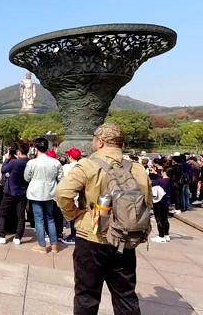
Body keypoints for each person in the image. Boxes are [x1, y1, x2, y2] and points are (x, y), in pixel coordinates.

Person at [56, 123, 151, 314]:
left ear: (100, 142)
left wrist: (74, 214)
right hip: (125, 238)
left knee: (87, 294)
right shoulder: (137, 169)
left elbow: (62, 193)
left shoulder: (88, 165)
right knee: (125, 294)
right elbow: (146, 203)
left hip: (92, 236)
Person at [24, 137, 63, 254]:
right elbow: (61, 178)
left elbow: (26, 177)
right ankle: (54, 244)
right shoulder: (55, 162)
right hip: (50, 193)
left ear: (36, 149)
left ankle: (42, 244)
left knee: (39, 219)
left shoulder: (31, 163)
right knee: (50, 218)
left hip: (36, 193)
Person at [0, 142, 29, 245]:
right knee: (21, 215)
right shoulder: (29, 162)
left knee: (2, 213)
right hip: (22, 192)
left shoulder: (14, 163)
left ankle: (1, 235)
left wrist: (7, 159)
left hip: (10, 191)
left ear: (18, 152)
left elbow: (4, 170)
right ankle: (18, 237)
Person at [61, 148, 82, 245]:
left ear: (70, 157)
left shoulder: (66, 167)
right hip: (81, 195)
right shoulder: (82, 166)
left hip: (71, 195)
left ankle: (74, 236)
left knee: (72, 216)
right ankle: (78, 235)